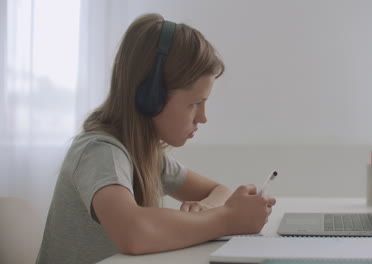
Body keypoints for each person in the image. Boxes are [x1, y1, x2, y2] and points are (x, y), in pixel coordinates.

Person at [36, 13, 276, 264]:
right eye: (195, 103)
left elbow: (219, 191)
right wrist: (227, 219)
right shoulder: (99, 152)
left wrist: (208, 210)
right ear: (150, 97)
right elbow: (134, 232)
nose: (203, 118)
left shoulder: (145, 154)